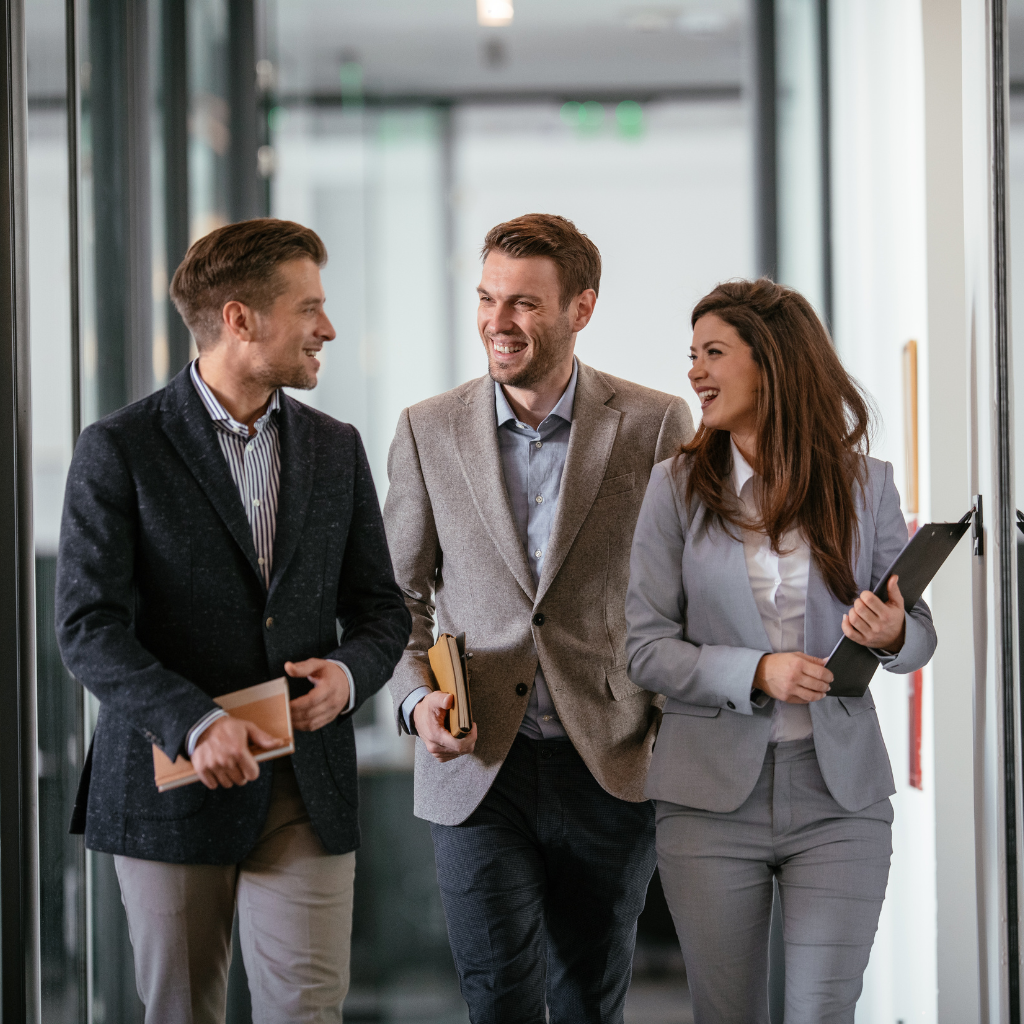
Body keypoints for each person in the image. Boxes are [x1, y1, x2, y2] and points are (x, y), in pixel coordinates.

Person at [56, 218, 411, 1024]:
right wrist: (195, 721)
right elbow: (87, 624)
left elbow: (380, 610)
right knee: (182, 1012)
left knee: (307, 1013)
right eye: (309, 307)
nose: (327, 328)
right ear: (239, 318)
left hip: (305, 785)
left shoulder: (335, 447)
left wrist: (351, 673)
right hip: (169, 781)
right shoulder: (120, 447)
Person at [383, 212, 694, 1022]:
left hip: (612, 758)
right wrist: (418, 704)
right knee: (498, 1000)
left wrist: (666, 720)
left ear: (580, 308)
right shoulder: (427, 429)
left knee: (592, 1000)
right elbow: (396, 596)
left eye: (523, 303)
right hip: (479, 764)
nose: (498, 321)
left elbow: (684, 587)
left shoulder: (656, 424)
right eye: (488, 298)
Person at [625, 278, 937, 1024]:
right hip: (708, 802)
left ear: (769, 362)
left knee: (822, 1010)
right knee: (726, 1014)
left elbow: (918, 633)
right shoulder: (674, 489)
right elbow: (645, 650)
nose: (695, 372)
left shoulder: (867, 485)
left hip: (840, 798)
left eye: (713, 353)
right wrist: (756, 671)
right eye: (692, 355)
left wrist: (892, 633)